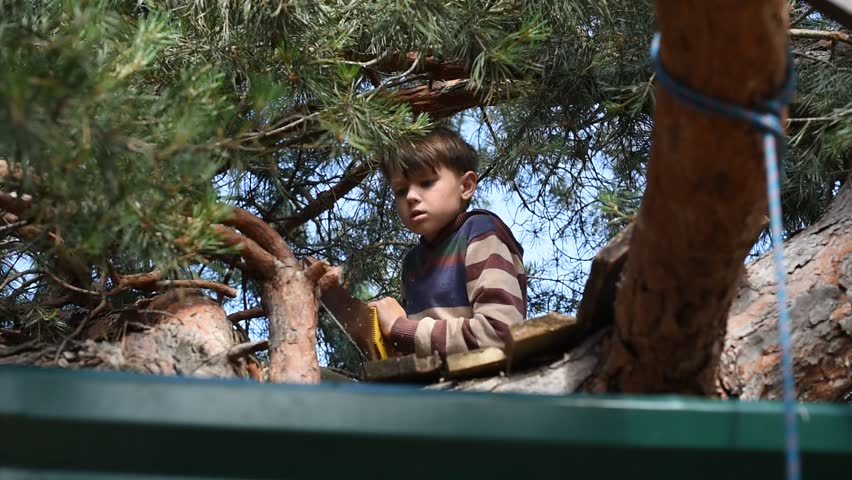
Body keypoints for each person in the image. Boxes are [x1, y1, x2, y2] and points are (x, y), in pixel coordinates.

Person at [369, 127, 527, 358]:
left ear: (466, 186)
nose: (411, 197)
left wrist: (400, 328)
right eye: (401, 191)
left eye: (426, 183)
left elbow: (500, 332)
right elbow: (419, 348)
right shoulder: (413, 262)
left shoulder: (480, 233)